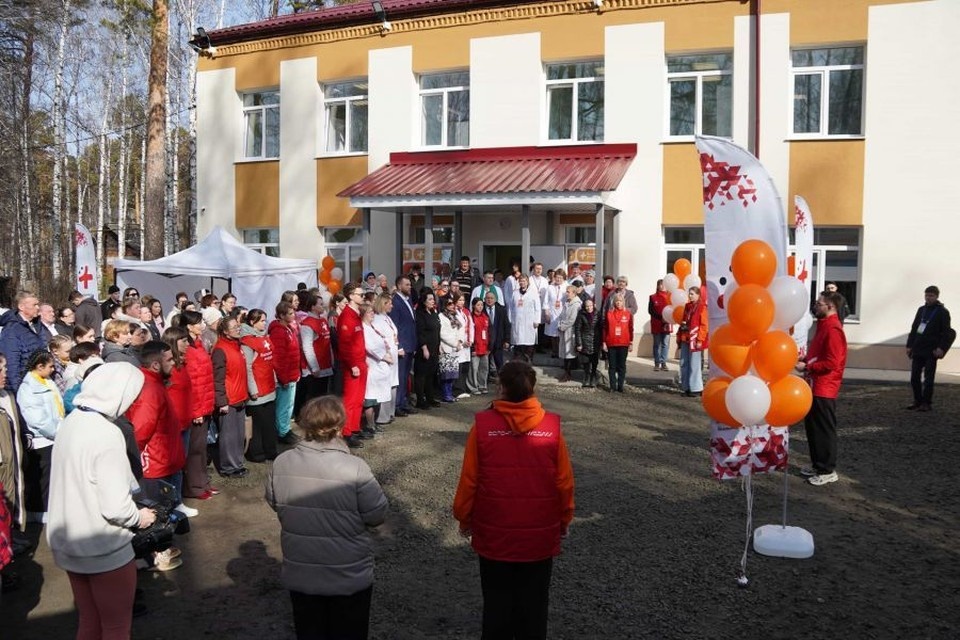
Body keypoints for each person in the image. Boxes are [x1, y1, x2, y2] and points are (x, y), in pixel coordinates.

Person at [453, 360, 575, 640]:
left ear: (501, 387)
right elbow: (564, 482)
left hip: (494, 531)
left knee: (496, 607)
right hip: (539, 533)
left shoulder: (483, 426)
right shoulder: (552, 427)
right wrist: (565, 518)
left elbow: (469, 479)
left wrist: (463, 516)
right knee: (534, 609)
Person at [46, 362, 158, 640]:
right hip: (103, 548)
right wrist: (140, 517)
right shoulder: (106, 434)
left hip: (69, 542)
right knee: (117, 626)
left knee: (89, 620)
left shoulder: (72, 421)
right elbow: (116, 507)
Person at [265, 396, 388, 640]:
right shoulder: (355, 467)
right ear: (340, 426)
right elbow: (377, 514)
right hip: (349, 576)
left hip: (302, 573)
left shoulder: (282, 463)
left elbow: (275, 501)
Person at [796, 291, 848, 486]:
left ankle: (827, 469)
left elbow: (832, 362)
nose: (815, 306)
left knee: (823, 429)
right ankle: (818, 464)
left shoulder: (833, 329)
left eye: (819, 303)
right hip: (814, 384)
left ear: (830, 307)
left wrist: (808, 366)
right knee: (813, 427)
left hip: (824, 387)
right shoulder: (824, 326)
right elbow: (820, 354)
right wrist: (806, 360)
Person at [17, 349, 64, 521]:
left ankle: (47, 507)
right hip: (42, 440)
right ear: (39, 366)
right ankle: (38, 511)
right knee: (41, 478)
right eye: (50, 366)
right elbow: (37, 419)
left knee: (50, 476)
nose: (53, 369)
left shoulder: (47, 382)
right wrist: (58, 431)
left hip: (52, 437)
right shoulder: (28, 389)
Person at [177, 311, 218, 501]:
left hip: (206, 404)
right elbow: (192, 383)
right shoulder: (189, 351)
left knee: (202, 449)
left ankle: (203, 482)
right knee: (195, 450)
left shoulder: (199, 345)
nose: (202, 325)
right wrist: (196, 411)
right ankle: (194, 486)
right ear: (189, 326)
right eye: (198, 322)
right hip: (197, 408)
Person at [211, 317, 249, 478]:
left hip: (240, 396)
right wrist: (222, 401)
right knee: (229, 435)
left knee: (239, 434)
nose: (238, 328)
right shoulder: (220, 350)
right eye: (234, 327)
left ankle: (238, 463)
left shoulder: (237, 346)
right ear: (225, 331)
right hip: (229, 399)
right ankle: (228, 467)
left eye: (238, 325)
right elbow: (217, 378)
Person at [905, 285, 953, 412]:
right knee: (914, 377)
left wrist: (941, 348)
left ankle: (926, 403)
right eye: (926, 295)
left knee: (928, 378)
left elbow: (947, 332)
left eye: (931, 295)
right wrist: (909, 345)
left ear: (937, 296)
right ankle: (917, 400)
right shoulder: (921, 310)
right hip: (918, 348)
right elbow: (914, 328)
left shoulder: (942, 312)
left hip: (931, 350)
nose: (928, 298)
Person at [240, 310, 279, 463]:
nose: (265, 323)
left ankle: (270, 450)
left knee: (269, 422)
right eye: (261, 321)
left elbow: (270, 362)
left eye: (265, 320)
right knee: (257, 425)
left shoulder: (264, 337)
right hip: (257, 390)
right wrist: (253, 390)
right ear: (252, 322)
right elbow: (248, 368)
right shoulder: (247, 342)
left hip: (269, 386)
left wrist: (274, 379)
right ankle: (256, 453)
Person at [338, 284, 368, 448]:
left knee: (358, 399)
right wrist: (352, 364)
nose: (362, 297)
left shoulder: (356, 314)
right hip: (353, 365)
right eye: (360, 294)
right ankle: (346, 432)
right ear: (351, 296)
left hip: (361, 362)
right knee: (350, 400)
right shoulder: (346, 316)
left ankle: (355, 428)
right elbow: (345, 345)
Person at [0, 291, 47, 392]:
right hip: (25, 385)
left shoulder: (37, 325)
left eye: (38, 304)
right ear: (21, 307)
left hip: (40, 381)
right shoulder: (12, 330)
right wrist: (19, 391)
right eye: (34, 305)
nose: (38, 307)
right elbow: (11, 362)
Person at [268, 301, 301, 446]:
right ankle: (282, 431)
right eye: (290, 313)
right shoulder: (278, 331)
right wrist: (284, 378)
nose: (293, 315)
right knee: (284, 405)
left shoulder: (288, 329)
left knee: (289, 405)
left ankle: (285, 428)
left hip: (292, 373)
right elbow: (279, 358)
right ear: (281, 315)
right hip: (285, 376)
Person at [0, 354, 26, 537]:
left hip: (11, 462)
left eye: (5, 369)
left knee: (11, 496)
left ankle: (11, 535)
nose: (4, 374)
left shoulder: (7, 396)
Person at [296, 294, 333, 417]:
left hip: (325, 363)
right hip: (314, 368)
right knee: (313, 396)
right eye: (320, 304)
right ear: (312, 307)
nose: (323, 306)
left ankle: (321, 417)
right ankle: (310, 419)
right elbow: (307, 347)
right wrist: (314, 367)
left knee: (322, 395)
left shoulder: (322, 320)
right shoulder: (307, 324)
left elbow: (327, 343)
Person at [389, 276, 418, 417]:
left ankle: (404, 401)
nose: (410, 287)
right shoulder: (395, 302)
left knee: (406, 376)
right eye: (407, 284)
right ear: (399, 286)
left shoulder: (408, 300)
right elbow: (394, 326)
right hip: (402, 346)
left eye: (410, 284)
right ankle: (397, 404)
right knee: (400, 376)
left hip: (410, 343)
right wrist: (399, 346)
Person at [372, 294, 400, 427]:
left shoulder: (387, 318)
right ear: (383, 304)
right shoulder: (377, 320)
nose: (392, 306)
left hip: (393, 355)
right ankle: (382, 416)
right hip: (385, 357)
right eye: (389, 303)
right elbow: (379, 339)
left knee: (393, 384)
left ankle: (390, 412)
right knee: (385, 385)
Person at [678, 286, 708, 398]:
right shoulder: (687, 306)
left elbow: (704, 325)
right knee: (684, 363)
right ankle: (686, 387)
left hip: (695, 339)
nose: (690, 296)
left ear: (698, 295)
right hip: (685, 338)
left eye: (692, 294)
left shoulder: (702, 307)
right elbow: (683, 321)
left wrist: (700, 339)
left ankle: (696, 388)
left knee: (694, 364)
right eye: (689, 293)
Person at [414, 290, 441, 410]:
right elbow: (420, 332)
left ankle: (430, 397)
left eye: (433, 299)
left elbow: (437, 330)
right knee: (422, 375)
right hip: (424, 348)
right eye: (430, 299)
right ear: (424, 301)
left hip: (435, 347)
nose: (432, 301)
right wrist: (424, 348)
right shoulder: (420, 314)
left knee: (431, 374)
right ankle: (420, 399)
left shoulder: (433, 313)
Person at [603, 293, 633, 393]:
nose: (618, 303)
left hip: (624, 343)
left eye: (620, 301)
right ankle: (612, 386)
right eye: (617, 301)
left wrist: (631, 342)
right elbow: (605, 329)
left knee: (621, 366)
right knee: (612, 366)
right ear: (614, 302)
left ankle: (620, 386)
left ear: (623, 302)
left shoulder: (628, 314)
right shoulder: (609, 314)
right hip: (611, 343)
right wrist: (604, 342)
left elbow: (630, 328)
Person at [508, 274, 541, 364]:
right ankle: (518, 359)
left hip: (530, 321)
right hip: (517, 321)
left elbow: (537, 308)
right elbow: (511, 307)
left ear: (527, 282)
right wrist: (510, 319)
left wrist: (537, 320)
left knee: (529, 341)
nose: (522, 283)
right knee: (518, 341)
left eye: (524, 281)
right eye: (521, 281)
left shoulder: (533, 293)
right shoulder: (515, 293)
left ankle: (528, 359)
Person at [575, 297, 602, 388]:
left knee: (594, 361)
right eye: (587, 306)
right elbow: (577, 329)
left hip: (595, 341)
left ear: (593, 305)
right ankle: (586, 377)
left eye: (590, 306)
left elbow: (601, 328)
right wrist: (579, 343)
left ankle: (593, 377)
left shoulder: (598, 314)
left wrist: (602, 342)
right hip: (584, 339)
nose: (589, 308)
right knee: (586, 361)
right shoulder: (581, 314)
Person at [557, 285, 582, 383]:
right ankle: (566, 372)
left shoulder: (576, 304)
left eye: (568, 292)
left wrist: (562, 327)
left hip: (570, 331)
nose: (566, 293)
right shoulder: (567, 303)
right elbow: (561, 316)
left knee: (569, 352)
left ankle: (568, 373)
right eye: (566, 291)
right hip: (564, 330)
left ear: (574, 293)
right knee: (564, 352)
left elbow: (572, 319)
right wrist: (559, 325)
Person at [484, 291, 511, 378]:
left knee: (499, 363)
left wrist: (507, 340)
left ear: (495, 299)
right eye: (487, 298)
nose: (489, 300)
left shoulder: (501, 309)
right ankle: (486, 380)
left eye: (491, 298)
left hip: (498, 341)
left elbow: (506, 325)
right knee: (485, 364)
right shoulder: (482, 310)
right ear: (485, 299)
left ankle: (502, 381)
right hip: (486, 342)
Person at [648, 279, 673, 371]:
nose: (663, 286)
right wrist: (660, 317)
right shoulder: (652, 297)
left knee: (665, 344)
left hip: (667, 323)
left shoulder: (670, 297)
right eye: (661, 285)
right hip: (656, 323)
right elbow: (650, 311)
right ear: (658, 286)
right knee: (657, 344)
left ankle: (663, 362)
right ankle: (657, 363)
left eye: (664, 285)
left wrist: (667, 318)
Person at [467, 298, 490, 395]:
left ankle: (482, 385)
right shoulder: (470, 317)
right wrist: (472, 348)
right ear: (473, 306)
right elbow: (469, 333)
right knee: (474, 369)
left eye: (481, 305)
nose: (480, 307)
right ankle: (473, 386)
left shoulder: (485, 317)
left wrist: (489, 347)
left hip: (484, 347)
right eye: (478, 305)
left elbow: (489, 332)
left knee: (484, 368)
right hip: (475, 347)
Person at [542, 270, 566, 358]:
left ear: (564, 278)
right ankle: (554, 351)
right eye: (557, 277)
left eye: (560, 278)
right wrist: (547, 314)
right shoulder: (550, 287)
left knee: (561, 333)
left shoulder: (566, 287)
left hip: (562, 313)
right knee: (553, 334)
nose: (558, 279)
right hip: (552, 313)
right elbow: (545, 301)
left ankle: (561, 351)